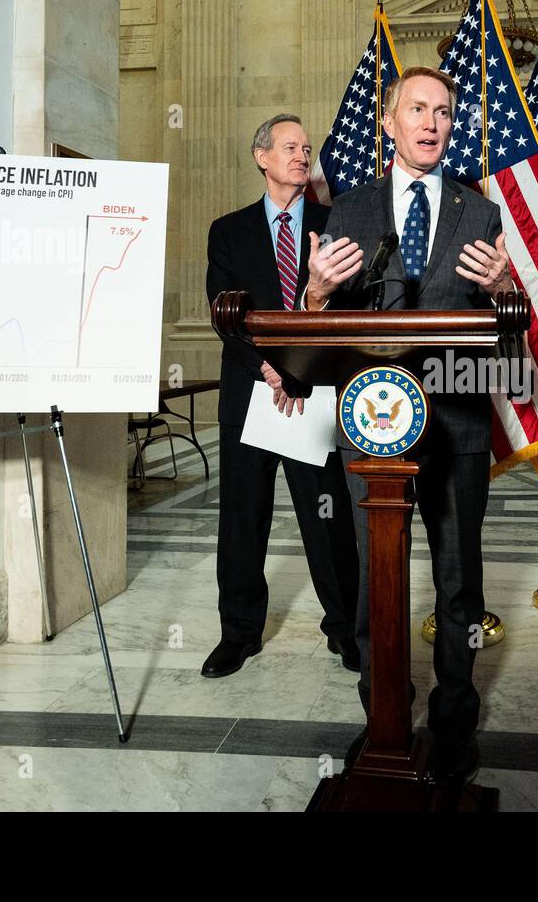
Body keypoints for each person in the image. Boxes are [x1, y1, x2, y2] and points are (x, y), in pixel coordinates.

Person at [303, 67, 514, 784]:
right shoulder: (349, 212)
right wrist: (317, 291)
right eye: (417, 109)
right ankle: (383, 715)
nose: (432, 122)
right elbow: (312, 336)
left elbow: (507, 346)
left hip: (457, 422)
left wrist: (504, 294)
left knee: (459, 580)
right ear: (388, 123)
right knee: (375, 583)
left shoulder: (479, 211)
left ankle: (455, 717)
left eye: (444, 112)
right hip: (375, 427)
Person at [203, 113, 361, 678]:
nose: (302, 155)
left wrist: (301, 369)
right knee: (243, 520)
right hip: (252, 393)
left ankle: (345, 629)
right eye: (290, 146)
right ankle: (238, 634)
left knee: (329, 517)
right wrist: (270, 368)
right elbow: (226, 315)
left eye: (307, 147)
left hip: (315, 395)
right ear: (261, 156)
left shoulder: (335, 223)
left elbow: (348, 311)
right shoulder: (229, 230)